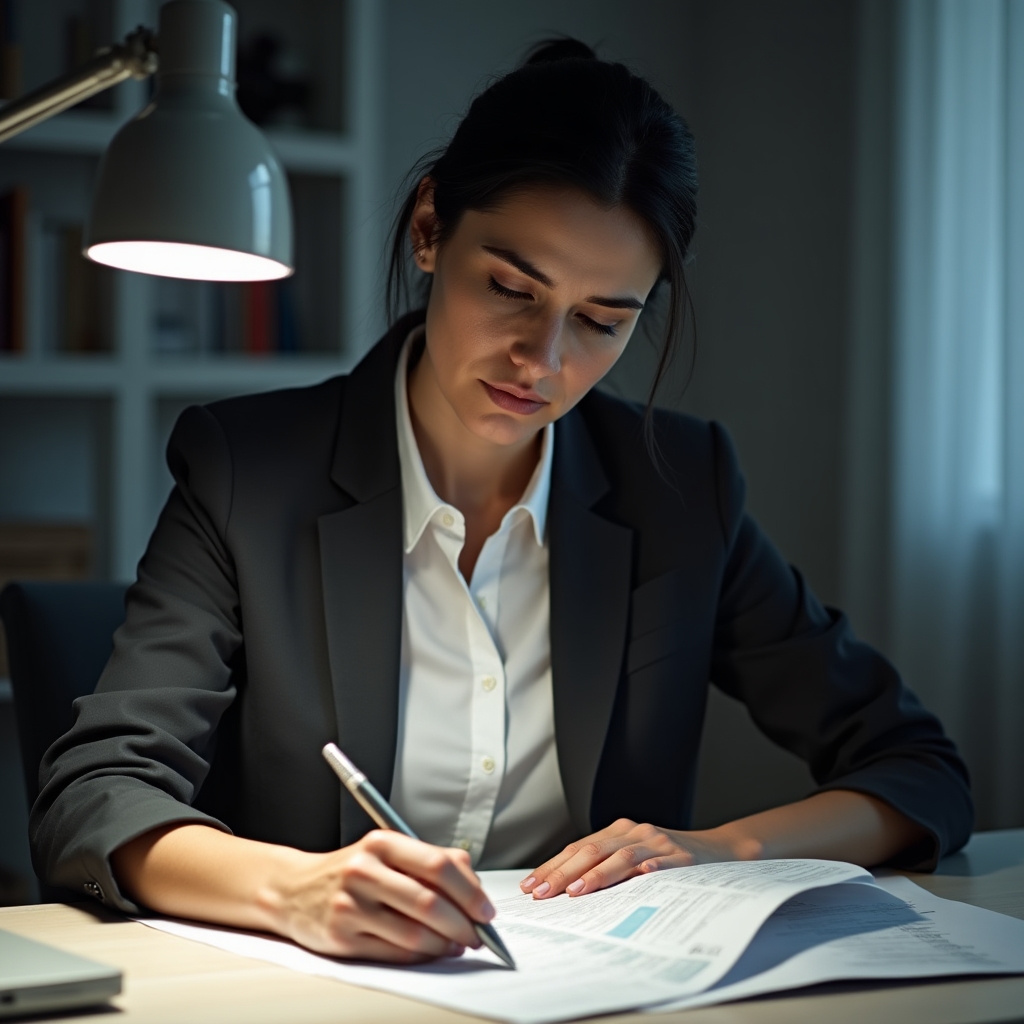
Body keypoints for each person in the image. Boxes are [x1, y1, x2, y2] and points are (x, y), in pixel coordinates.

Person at [31, 39, 972, 966]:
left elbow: (916, 768)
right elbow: (99, 788)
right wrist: (297, 890)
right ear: (431, 227)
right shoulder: (248, 470)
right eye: (511, 289)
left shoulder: (680, 489)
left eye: (603, 321)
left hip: (590, 992)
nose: (544, 360)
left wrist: (717, 854)